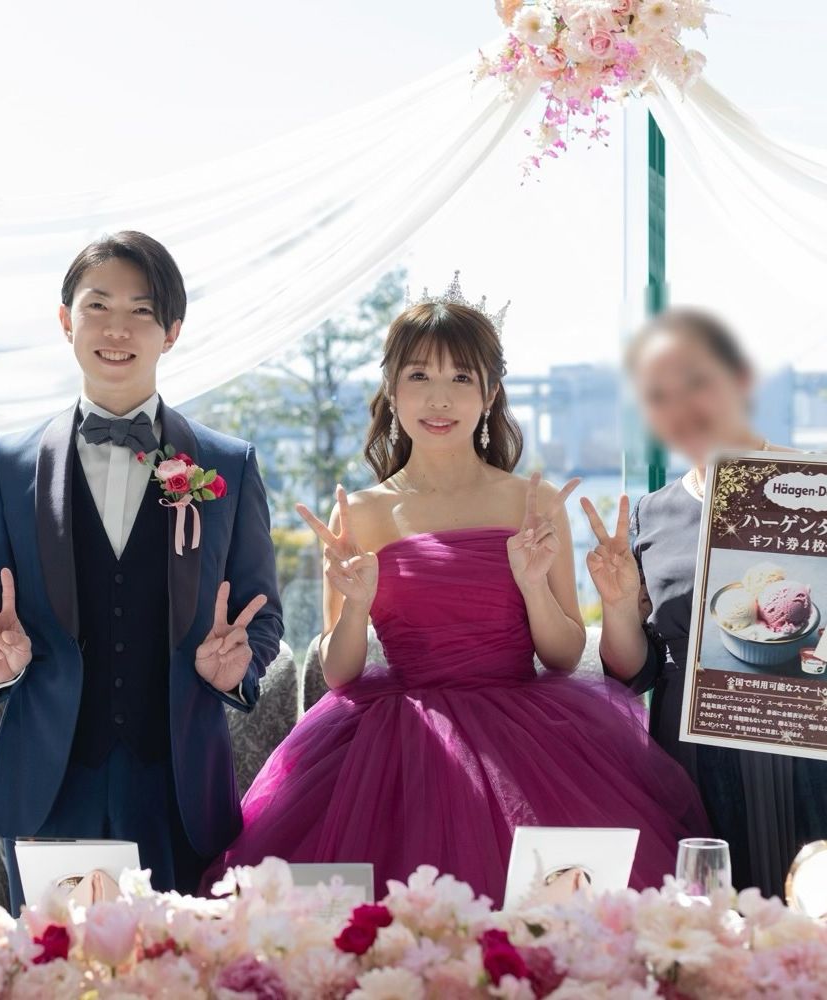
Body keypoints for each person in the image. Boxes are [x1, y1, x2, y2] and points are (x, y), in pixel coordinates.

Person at [204, 280, 708, 903]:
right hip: (389, 749)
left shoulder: (534, 502)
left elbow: (561, 655)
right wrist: (355, 607)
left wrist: (532, 585)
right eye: (419, 376)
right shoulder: (360, 512)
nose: (439, 398)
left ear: (490, 394)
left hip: (530, 742)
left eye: (461, 378)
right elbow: (339, 674)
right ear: (392, 390)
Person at [0, 231, 283, 911]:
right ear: (65, 320)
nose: (117, 329)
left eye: (141, 311)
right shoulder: (8, 465)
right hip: (48, 787)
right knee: (48, 965)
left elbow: (261, 613)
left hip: (178, 788)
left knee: (183, 964)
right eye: (98, 306)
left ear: (172, 331)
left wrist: (237, 669)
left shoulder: (229, 464)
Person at [582, 307, 827, 897]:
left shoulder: (814, 487)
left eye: (696, 382)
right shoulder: (651, 515)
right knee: (712, 930)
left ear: (739, 380)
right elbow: (636, 671)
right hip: (694, 760)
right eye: (659, 395)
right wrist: (617, 602)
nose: (682, 407)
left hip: (808, 749)